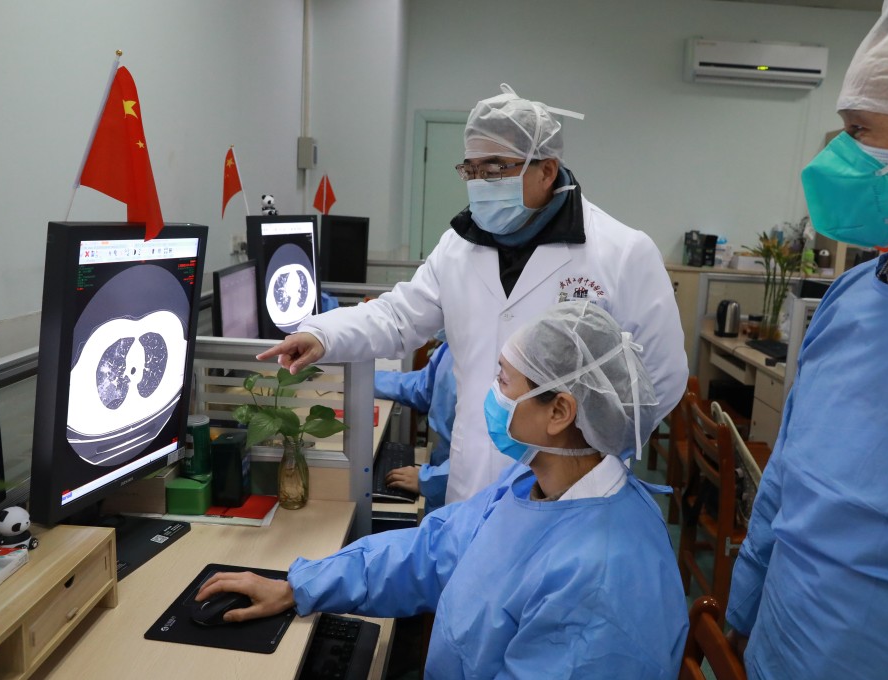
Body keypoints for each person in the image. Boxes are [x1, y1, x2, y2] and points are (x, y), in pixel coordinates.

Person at [198, 302, 689, 678]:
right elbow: (431, 550)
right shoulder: (533, 486)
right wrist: (299, 586)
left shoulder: (601, 583)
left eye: (504, 381)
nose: (490, 397)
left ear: (559, 413)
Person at [258, 84, 687, 504]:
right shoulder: (459, 247)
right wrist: (323, 334)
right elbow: (399, 316)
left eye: (496, 167)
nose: (481, 182)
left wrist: (586, 451)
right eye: (472, 169)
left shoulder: (622, 253)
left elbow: (661, 378)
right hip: (470, 481)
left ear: (547, 169)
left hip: (570, 494)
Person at [726, 2, 888, 678]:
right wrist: (743, 609)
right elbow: (786, 478)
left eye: (860, 133)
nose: (835, 159)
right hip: (778, 644)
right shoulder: (849, 297)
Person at [374, 337, 455, 512]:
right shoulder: (452, 347)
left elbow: (480, 454)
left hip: (452, 487)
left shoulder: (486, 361)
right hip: (442, 468)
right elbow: (423, 387)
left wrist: (430, 480)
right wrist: (366, 382)